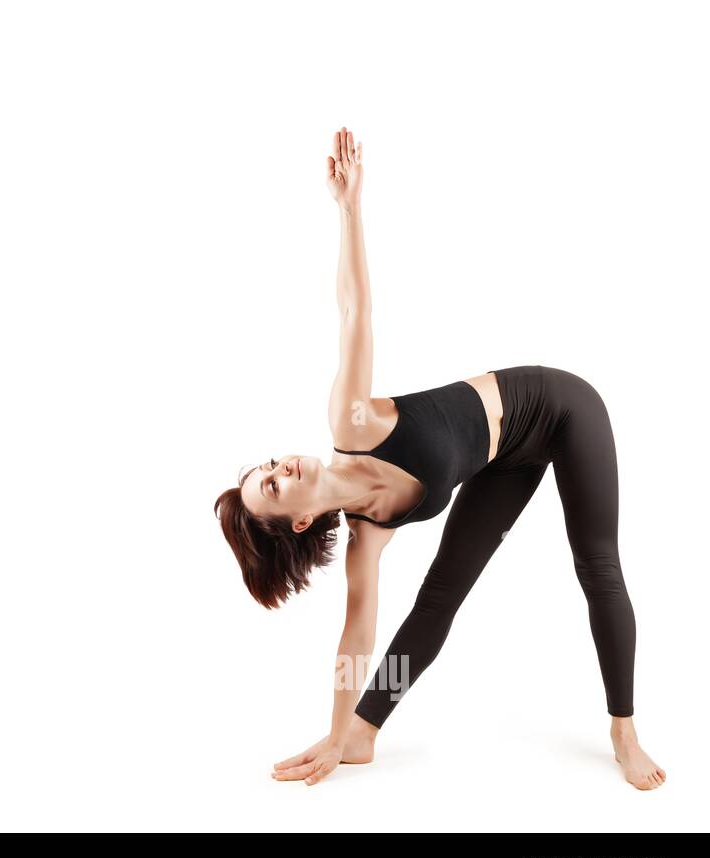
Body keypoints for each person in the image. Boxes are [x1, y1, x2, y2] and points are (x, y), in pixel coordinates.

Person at [213, 127, 665, 790]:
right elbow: (355, 641)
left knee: (597, 562)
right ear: (300, 522)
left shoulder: (353, 421)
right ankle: (367, 731)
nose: (284, 470)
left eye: (270, 467)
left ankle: (624, 729)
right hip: (502, 461)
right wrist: (338, 735)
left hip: (561, 408)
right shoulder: (369, 535)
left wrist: (349, 208)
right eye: (275, 491)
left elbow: (354, 310)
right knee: (438, 598)